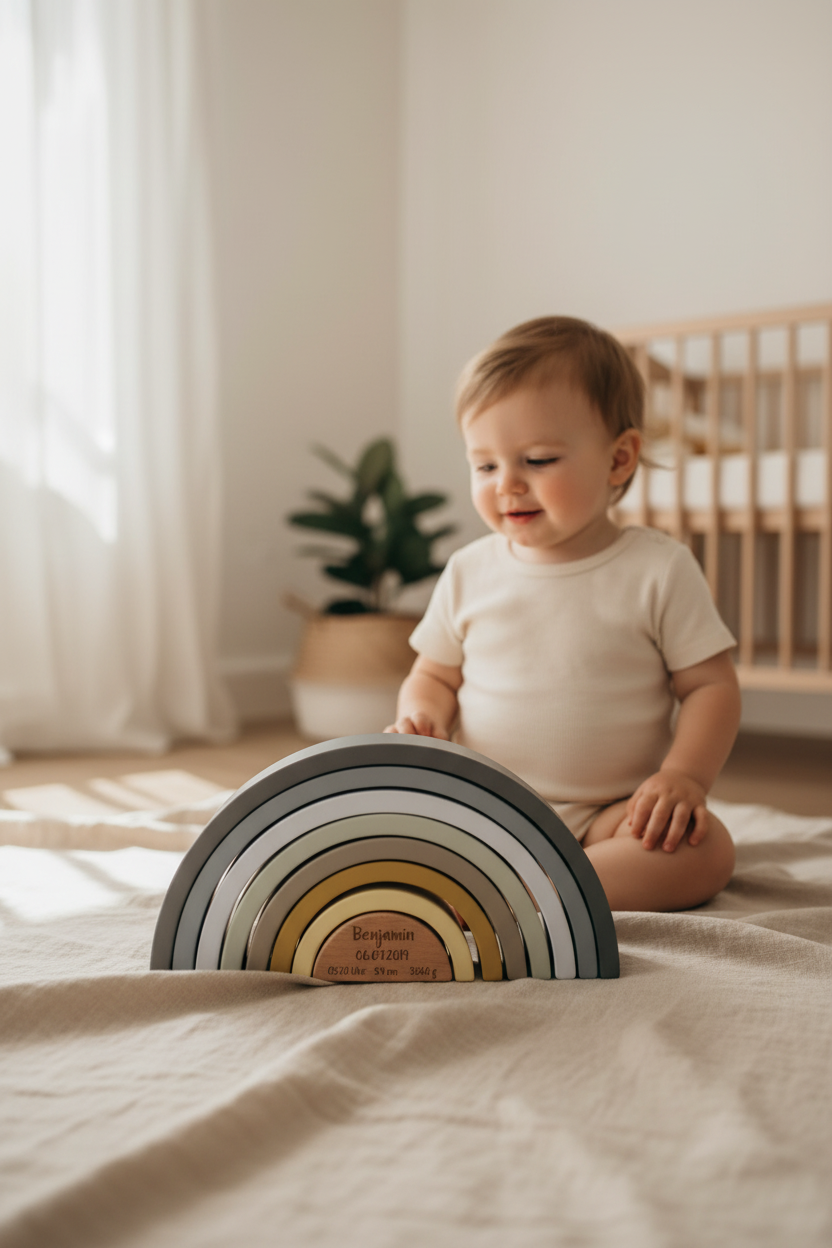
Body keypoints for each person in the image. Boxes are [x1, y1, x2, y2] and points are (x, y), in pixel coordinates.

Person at [385, 316, 740, 912]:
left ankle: (533, 896)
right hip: (486, 806)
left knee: (707, 852)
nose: (507, 485)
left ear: (619, 459)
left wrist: (685, 777)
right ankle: (541, 893)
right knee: (384, 819)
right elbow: (435, 674)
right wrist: (421, 714)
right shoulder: (470, 571)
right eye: (486, 465)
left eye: (539, 459)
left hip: (611, 815)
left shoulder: (658, 569)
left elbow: (711, 687)